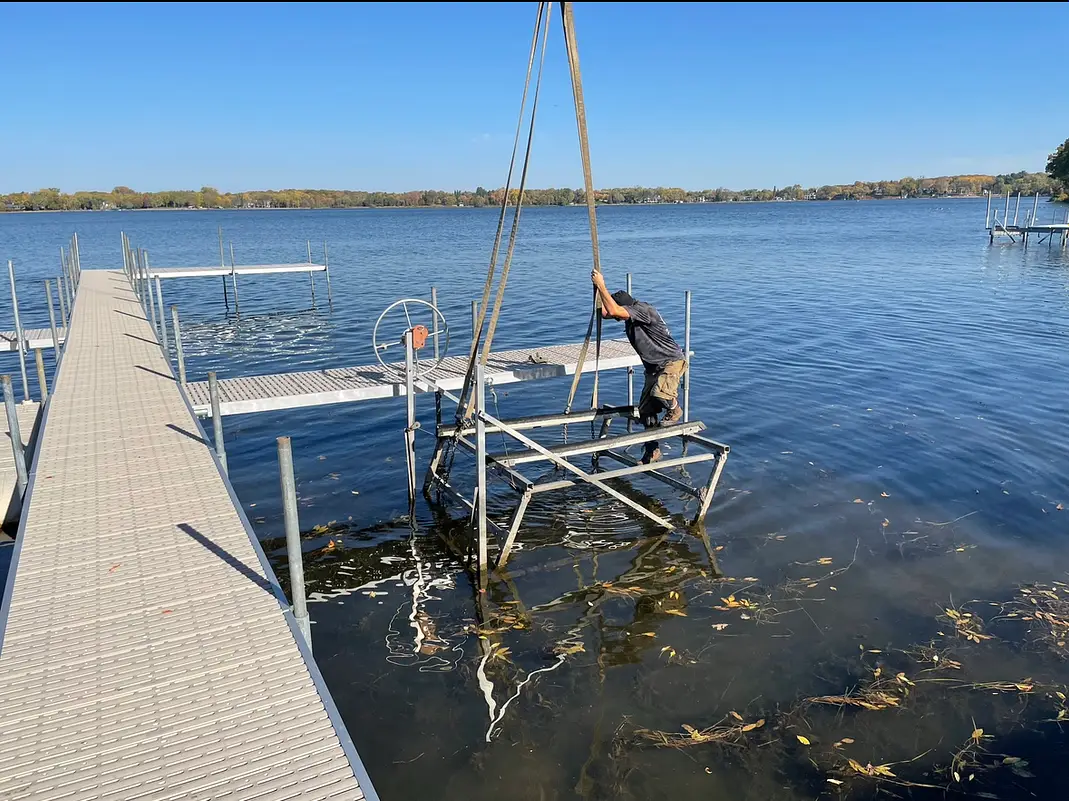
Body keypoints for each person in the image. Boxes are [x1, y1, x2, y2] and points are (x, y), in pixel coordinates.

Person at [591, 270, 686, 463]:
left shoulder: (642, 309)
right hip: (653, 368)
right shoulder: (629, 315)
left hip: (670, 361)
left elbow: (615, 311)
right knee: (646, 411)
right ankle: (652, 451)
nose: (616, 318)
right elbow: (607, 312)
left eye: (619, 312)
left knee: (661, 393)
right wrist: (597, 291)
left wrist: (602, 284)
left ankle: (675, 409)